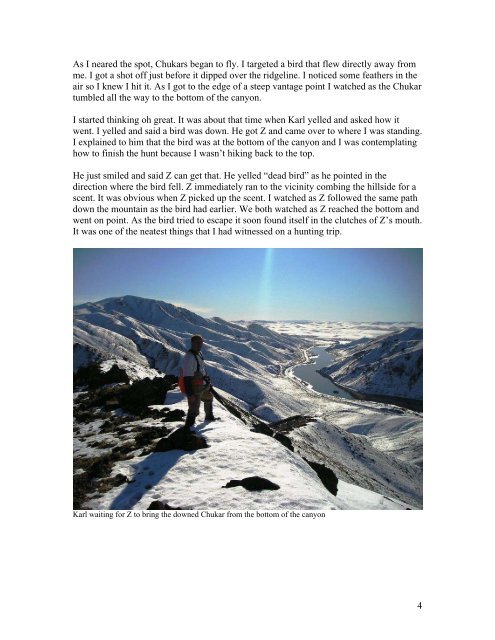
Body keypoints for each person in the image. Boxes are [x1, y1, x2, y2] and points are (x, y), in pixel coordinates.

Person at [180, 335, 216, 429]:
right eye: (197, 343)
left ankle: (209, 417)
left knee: (208, 397)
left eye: (201, 343)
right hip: (195, 386)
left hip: (202, 383)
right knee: (194, 408)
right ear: (192, 343)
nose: (199, 345)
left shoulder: (199, 354)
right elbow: (186, 377)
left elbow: (201, 369)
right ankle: (188, 427)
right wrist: (190, 394)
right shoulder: (189, 357)